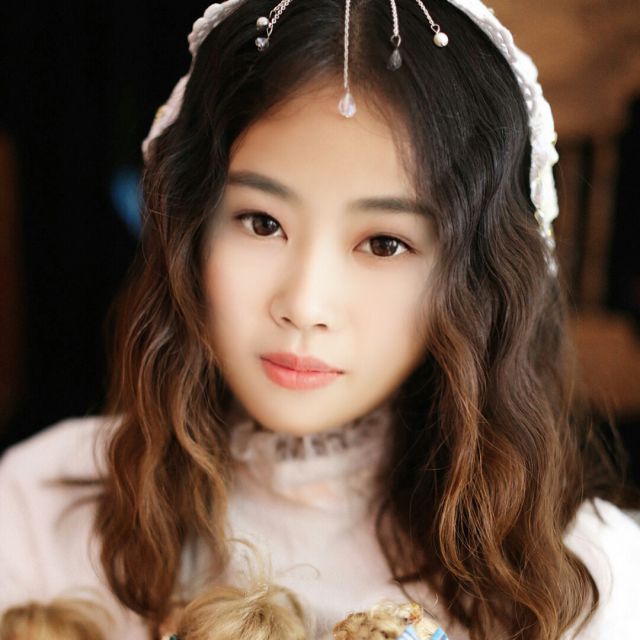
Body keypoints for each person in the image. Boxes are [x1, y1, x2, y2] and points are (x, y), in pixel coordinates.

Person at [1, 0, 639, 638]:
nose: (304, 305)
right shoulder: (40, 511)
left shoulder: (585, 581)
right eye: (261, 223)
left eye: (384, 243)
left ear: (477, 281)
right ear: (189, 231)